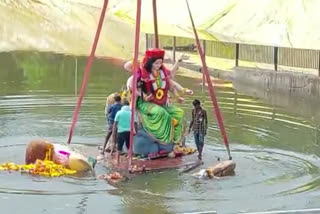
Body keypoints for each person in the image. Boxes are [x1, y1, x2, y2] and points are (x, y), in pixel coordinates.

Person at [112, 101, 138, 165]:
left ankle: (117, 160)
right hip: (129, 132)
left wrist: (113, 132)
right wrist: (136, 132)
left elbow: (115, 124)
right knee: (129, 146)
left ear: (122, 106)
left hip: (120, 132)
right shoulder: (132, 113)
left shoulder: (119, 113)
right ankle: (130, 160)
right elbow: (135, 123)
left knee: (119, 146)